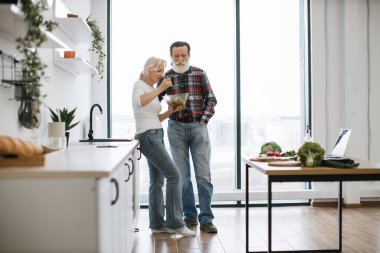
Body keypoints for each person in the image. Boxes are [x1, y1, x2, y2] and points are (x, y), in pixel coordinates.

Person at [158, 41, 218, 233]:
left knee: (203, 176)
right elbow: (155, 100)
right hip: (175, 128)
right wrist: (162, 93)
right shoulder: (166, 77)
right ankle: (190, 217)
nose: (180, 59)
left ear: (189, 56)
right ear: (171, 57)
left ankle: (207, 219)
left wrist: (203, 120)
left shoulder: (200, 73)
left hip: (197, 127)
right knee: (182, 177)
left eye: (183, 55)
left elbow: (211, 99)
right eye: (176, 56)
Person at [132, 56, 195, 237]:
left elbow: (154, 117)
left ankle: (158, 224)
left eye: (162, 71)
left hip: (156, 134)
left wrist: (171, 111)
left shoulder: (150, 89)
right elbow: (140, 102)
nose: (161, 74)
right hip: (149, 136)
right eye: (159, 70)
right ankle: (176, 223)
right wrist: (161, 88)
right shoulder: (139, 85)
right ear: (148, 69)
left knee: (157, 181)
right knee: (174, 174)